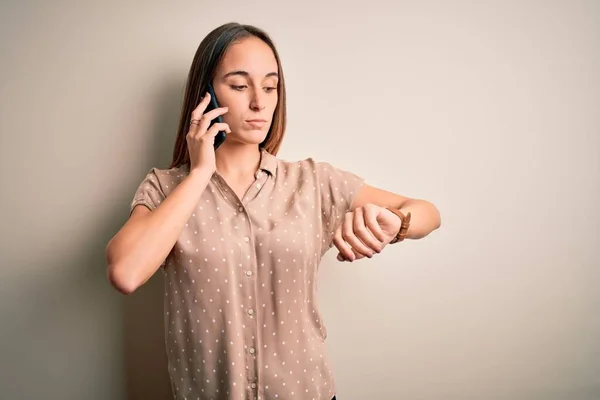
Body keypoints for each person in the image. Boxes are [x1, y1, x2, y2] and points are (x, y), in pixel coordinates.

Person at [105, 22, 441, 400]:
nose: (259, 103)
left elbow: (427, 213)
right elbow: (126, 272)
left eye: (269, 86)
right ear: (206, 96)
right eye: (238, 85)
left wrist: (396, 222)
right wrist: (200, 172)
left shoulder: (313, 182)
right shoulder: (166, 189)